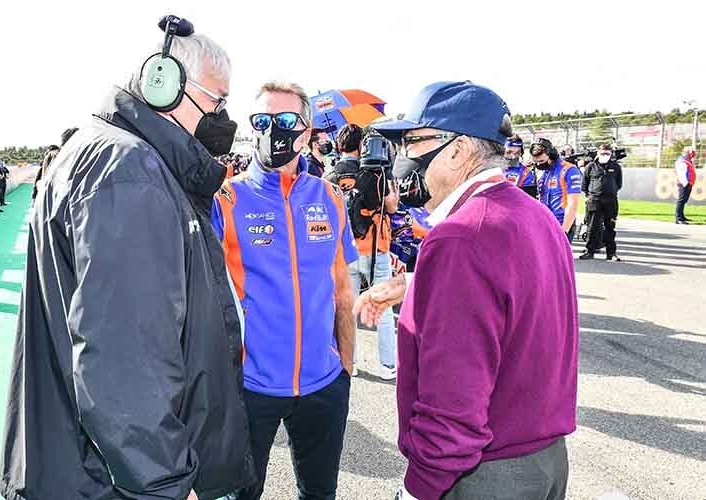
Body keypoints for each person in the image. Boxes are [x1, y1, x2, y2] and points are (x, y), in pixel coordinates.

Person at [0, 17, 255, 500]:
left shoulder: (114, 156)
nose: (224, 118)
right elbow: (124, 365)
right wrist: (166, 483)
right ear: (165, 85)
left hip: (84, 471)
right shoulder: (130, 173)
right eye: (218, 101)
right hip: (108, 483)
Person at [358, 81, 578, 500]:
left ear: (457, 150)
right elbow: (511, 301)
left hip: (485, 475)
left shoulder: (461, 236)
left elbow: (453, 403)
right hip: (544, 460)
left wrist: (418, 488)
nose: (405, 157)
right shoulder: (533, 214)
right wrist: (415, 284)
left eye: (414, 142)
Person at [212, 81, 358, 500]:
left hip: (323, 385)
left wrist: (345, 369)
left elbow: (343, 291)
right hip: (251, 387)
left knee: (319, 495)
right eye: (263, 120)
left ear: (308, 130)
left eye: (286, 120)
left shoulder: (329, 196)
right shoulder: (226, 198)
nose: (273, 129)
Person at [334, 123, 400, 380]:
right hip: (376, 247)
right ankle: (387, 365)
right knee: (380, 304)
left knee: (348, 307)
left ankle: (351, 362)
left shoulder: (331, 175)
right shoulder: (375, 173)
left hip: (346, 248)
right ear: (361, 144)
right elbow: (392, 207)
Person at [532, 138, 583, 241]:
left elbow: (573, 203)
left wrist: (564, 231)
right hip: (545, 222)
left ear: (551, 154)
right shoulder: (543, 172)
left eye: (541, 161)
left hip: (561, 223)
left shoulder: (570, 170)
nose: (538, 165)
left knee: (559, 257)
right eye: (536, 162)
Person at [580, 144, 623, 261]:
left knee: (610, 227)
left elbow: (619, 184)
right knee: (592, 227)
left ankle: (611, 253)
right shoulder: (590, 166)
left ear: (611, 155)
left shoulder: (616, 167)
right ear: (598, 154)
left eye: (607, 154)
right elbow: (584, 184)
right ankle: (590, 251)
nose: (605, 156)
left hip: (611, 201)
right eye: (603, 153)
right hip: (594, 200)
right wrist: (590, 196)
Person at [675, 146, 698, 224]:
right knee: (681, 200)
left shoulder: (688, 160)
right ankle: (679, 218)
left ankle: (682, 216)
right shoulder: (682, 161)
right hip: (684, 183)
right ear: (686, 152)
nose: (693, 153)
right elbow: (681, 174)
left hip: (688, 183)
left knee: (684, 200)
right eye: (691, 151)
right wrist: (686, 183)